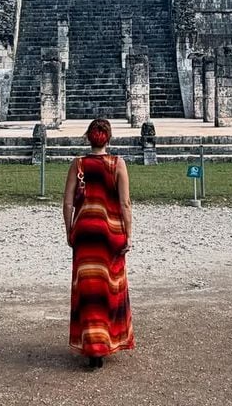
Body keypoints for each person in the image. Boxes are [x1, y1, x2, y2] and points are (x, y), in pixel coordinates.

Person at [63, 117, 135, 368]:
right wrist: (129, 232)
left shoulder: (78, 164)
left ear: (88, 137)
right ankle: (105, 341)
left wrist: (69, 229)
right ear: (109, 137)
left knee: (87, 289)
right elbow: (125, 203)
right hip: (109, 232)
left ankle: (90, 344)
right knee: (109, 286)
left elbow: (68, 202)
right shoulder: (118, 164)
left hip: (84, 231)